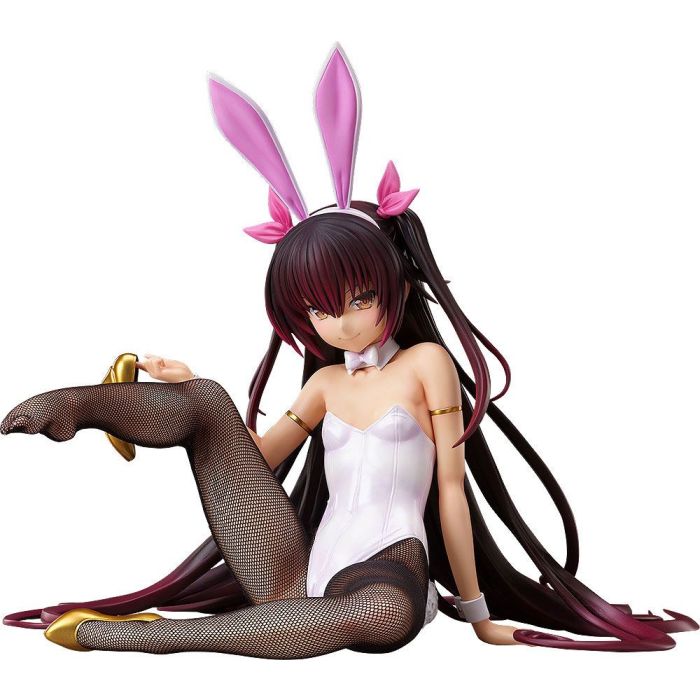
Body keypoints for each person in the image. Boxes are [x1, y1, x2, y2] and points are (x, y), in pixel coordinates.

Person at [1, 45, 696, 656]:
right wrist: (184, 395)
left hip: (387, 581)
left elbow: (451, 492)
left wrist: (479, 614)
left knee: (370, 615)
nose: (339, 323)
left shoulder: (425, 366)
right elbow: (249, 462)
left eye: (357, 299)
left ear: (395, 284)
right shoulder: (326, 385)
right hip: (297, 571)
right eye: (319, 309)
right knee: (209, 402)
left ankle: (129, 636)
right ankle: (96, 405)